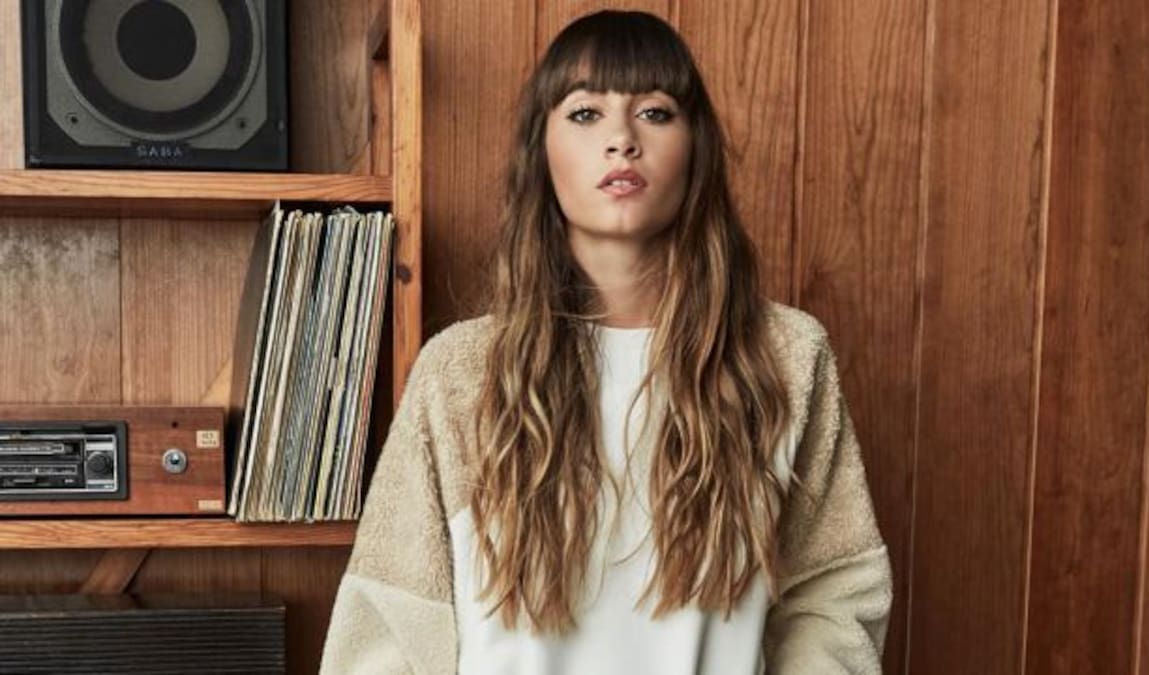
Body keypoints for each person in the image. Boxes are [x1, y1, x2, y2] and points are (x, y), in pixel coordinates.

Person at [321, 10, 891, 675]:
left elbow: (834, 589)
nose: (622, 139)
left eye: (654, 112)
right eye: (586, 113)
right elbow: (387, 626)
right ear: (542, 150)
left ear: (696, 148)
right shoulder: (461, 373)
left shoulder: (785, 357)